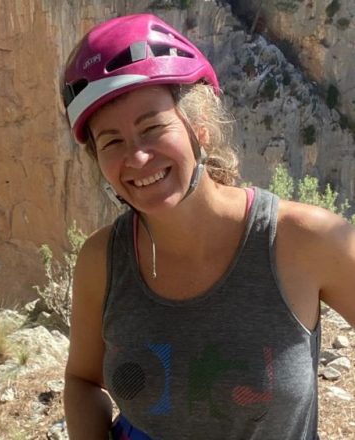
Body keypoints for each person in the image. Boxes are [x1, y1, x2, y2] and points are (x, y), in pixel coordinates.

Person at [61, 13, 355, 439]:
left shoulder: (304, 240)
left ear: (199, 128)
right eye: (112, 142)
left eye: (153, 127)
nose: (137, 158)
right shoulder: (103, 261)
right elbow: (83, 381)